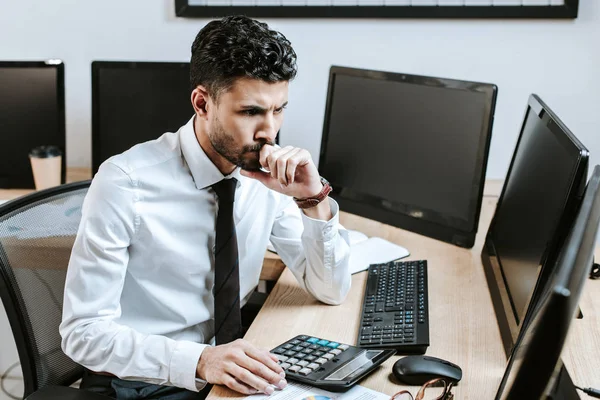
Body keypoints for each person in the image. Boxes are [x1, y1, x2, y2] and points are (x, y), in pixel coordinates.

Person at [60, 15, 352, 400]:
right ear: (202, 103)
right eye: (251, 112)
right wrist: (199, 361)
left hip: (228, 371)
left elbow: (330, 290)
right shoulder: (124, 183)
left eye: (279, 109)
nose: (270, 131)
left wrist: (311, 199)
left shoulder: (264, 174)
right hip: (142, 380)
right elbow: (82, 334)